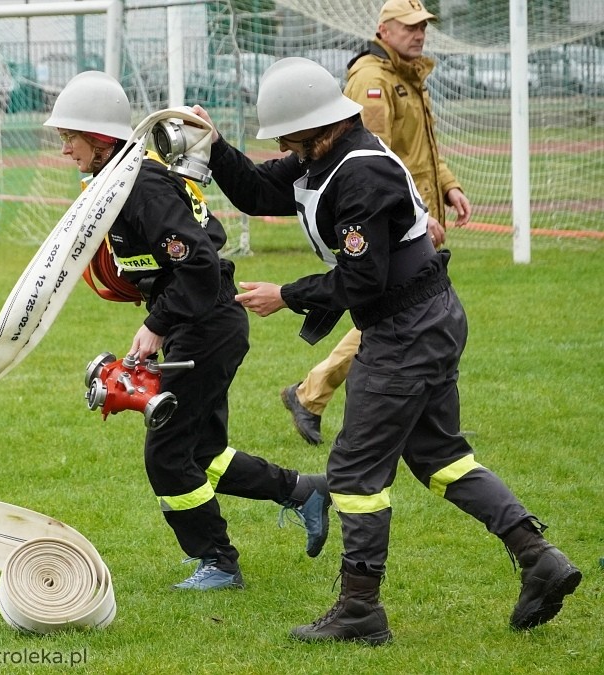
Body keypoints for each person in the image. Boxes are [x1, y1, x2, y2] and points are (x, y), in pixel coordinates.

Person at [194, 57, 580, 643]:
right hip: (419, 321)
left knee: (351, 473)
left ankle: (359, 611)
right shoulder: (322, 157)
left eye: (287, 136)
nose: (282, 147)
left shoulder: (360, 172)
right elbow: (253, 191)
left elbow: (362, 280)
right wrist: (215, 145)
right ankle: (538, 557)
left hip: (407, 328)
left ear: (314, 128)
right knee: (439, 456)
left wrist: (287, 294)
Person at [44, 71, 331, 591]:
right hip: (197, 321)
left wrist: (156, 325)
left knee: (168, 454)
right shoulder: (121, 180)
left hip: (207, 325)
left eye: (71, 138)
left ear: (100, 138)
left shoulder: (142, 187)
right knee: (203, 453)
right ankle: (303, 490)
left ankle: (218, 561)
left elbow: (198, 264)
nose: (65, 149)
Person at [280, 0, 472, 446]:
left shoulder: (409, 75)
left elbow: (422, 147)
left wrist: (448, 186)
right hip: (400, 219)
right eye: (408, 26)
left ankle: (319, 396)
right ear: (383, 29)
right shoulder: (372, 79)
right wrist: (417, 215)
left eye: (423, 25)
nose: (418, 33)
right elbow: (375, 161)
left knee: (409, 313)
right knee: (400, 313)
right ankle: (311, 394)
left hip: (415, 212)